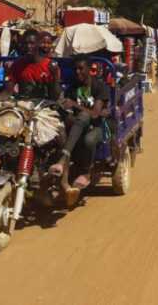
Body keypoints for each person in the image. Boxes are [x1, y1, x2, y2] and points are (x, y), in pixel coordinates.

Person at [50, 55, 111, 207]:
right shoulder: (72, 88)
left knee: (88, 138)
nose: (77, 72)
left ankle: (86, 172)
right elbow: (68, 109)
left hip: (99, 127)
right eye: (75, 69)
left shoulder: (99, 87)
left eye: (81, 69)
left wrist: (75, 106)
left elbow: (95, 114)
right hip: (79, 126)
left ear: (90, 70)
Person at [0, 29, 60, 102]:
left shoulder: (50, 66)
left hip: (44, 108)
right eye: (25, 43)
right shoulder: (17, 65)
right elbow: (7, 92)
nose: (28, 46)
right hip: (23, 106)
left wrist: (55, 77)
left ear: (38, 44)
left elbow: (55, 97)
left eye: (32, 43)